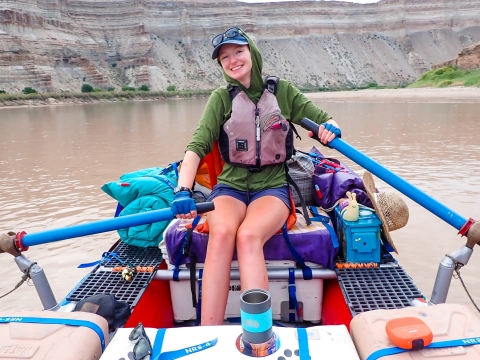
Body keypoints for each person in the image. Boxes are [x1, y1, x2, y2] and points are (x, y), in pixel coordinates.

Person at [171, 27, 341, 325]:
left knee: (248, 236)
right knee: (221, 234)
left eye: (238, 51)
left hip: (272, 187)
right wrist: (183, 191)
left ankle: (258, 334)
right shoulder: (220, 98)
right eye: (225, 57)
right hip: (230, 187)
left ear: (251, 52)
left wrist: (329, 128)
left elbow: (324, 120)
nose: (232, 60)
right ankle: (207, 331)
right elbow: (196, 147)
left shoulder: (283, 91)